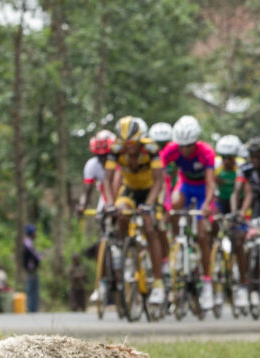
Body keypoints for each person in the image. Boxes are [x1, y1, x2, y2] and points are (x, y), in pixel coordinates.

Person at [102, 115, 166, 306]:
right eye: (124, 143)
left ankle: (158, 283)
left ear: (139, 139)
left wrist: (149, 205)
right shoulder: (115, 150)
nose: (128, 147)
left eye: (131, 142)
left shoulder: (151, 149)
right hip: (129, 190)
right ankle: (127, 253)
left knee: (149, 227)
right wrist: (110, 203)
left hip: (150, 191)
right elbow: (106, 179)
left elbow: (159, 181)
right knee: (120, 213)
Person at [161, 115, 218, 309]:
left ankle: (208, 282)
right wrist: (167, 204)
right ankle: (178, 241)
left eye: (189, 145)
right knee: (175, 204)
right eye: (182, 145)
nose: (185, 150)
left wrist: (207, 204)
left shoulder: (206, 152)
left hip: (203, 190)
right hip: (184, 185)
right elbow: (161, 177)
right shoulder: (170, 150)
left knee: (203, 235)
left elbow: (211, 183)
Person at [214, 134, 249, 309]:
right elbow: (212, 190)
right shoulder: (215, 168)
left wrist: (239, 212)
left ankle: (243, 283)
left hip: (239, 205)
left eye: (231, 157)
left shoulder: (242, 168)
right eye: (224, 157)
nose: (227, 161)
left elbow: (245, 192)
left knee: (238, 242)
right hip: (222, 204)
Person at [76, 129, 116, 216]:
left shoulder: (120, 162)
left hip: (122, 193)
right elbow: (87, 190)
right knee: (100, 216)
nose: (103, 159)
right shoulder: (91, 165)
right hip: (106, 195)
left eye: (106, 155)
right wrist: (82, 205)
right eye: (99, 156)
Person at [22, 223, 43, 312]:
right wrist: (40, 257)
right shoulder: (27, 242)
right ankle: (31, 308)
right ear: (31, 233)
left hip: (33, 270)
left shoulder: (29, 242)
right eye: (34, 232)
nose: (36, 234)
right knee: (31, 289)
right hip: (30, 270)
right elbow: (34, 255)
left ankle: (34, 308)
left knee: (34, 289)